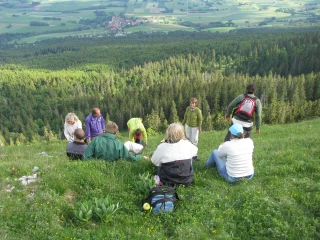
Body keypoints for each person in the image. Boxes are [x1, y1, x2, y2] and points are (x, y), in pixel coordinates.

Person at [82, 121, 147, 161]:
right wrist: (140, 157)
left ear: (105, 130)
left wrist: (97, 162)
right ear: (115, 132)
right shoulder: (119, 144)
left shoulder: (95, 140)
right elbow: (130, 159)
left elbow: (85, 157)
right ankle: (140, 148)